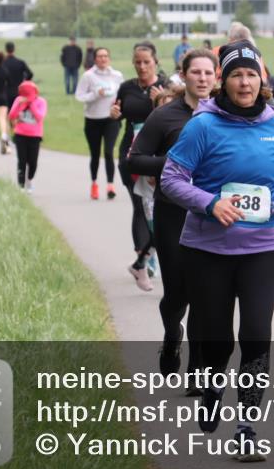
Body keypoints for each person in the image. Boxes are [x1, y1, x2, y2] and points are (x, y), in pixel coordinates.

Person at [160, 39, 274, 461]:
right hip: (207, 250)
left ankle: (247, 425)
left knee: (256, 333)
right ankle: (210, 384)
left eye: (252, 74)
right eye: (237, 75)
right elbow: (172, 179)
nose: (245, 82)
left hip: (263, 247)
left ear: (262, 79)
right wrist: (209, 203)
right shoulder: (203, 126)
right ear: (223, 80)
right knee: (217, 338)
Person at [128, 49, 217, 388]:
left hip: (211, 213)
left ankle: (197, 369)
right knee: (177, 293)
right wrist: (173, 164)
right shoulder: (165, 117)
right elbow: (135, 160)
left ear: (216, 77)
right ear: (184, 75)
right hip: (173, 212)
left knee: (204, 292)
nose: (203, 79)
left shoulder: (226, 116)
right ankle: (171, 333)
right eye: (196, 72)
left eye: (209, 73)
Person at [111, 41, 167, 290]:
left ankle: (144, 259)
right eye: (138, 62)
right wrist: (115, 114)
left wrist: (160, 101)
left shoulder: (165, 86)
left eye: (146, 62)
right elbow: (120, 112)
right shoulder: (126, 88)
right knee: (140, 206)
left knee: (163, 209)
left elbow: (172, 118)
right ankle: (147, 259)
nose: (142, 66)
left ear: (156, 62)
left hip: (157, 156)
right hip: (131, 154)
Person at [76, 47, 123, 200]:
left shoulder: (117, 75)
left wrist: (119, 106)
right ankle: (94, 183)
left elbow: (122, 95)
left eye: (105, 56)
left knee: (109, 152)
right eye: (100, 56)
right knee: (95, 154)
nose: (103, 59)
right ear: (95, 59)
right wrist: (96, 94)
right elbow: (80, 96)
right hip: (93, 119)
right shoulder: (88, 76)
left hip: (111, 119)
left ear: (109, 58)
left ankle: (110, 186)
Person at [9, 80, 47, 193]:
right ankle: (21, 185)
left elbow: (40, 117)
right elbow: (11, 116)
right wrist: (20, 104)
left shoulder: (41, 102)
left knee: (33, 162)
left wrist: (31, 104)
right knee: (22, 160)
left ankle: (29, 179)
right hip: (20, 134)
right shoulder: (19, 100)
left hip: (35, 135)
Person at [2, 41, 33, 109]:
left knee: (8, 113)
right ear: (14, 49)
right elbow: (30, 74)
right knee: (18, 112)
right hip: (19, 91)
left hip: (7, 91)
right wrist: (24, 81)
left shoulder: (3, 63)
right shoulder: (20, 62)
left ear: (6, 50)